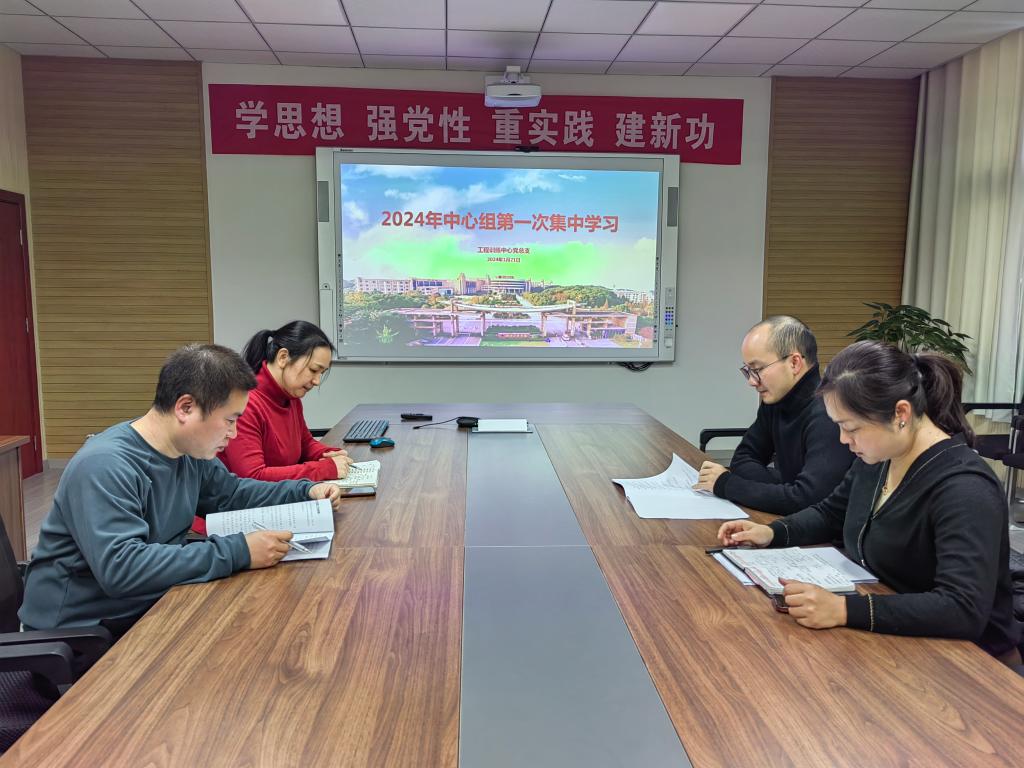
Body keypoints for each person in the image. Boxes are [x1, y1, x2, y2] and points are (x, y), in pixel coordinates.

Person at [717, 341, 1023, 664]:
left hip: (970, 663)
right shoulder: (880, 457)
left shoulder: (965, 488)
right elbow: (831, 513)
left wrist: (844, 609)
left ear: (900, 413)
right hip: (895, 633)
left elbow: (962, 609)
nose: (843, 440)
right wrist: (773, 533)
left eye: (851, 428)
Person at [19, 344, 344, 638]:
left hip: (148, 604)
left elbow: (230, 495)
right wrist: (239, 552)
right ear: (185, 408)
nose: (233, 434)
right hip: (83, 634)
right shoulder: (105, 465)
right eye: (229, 420)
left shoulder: (188, 452)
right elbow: (122, 568)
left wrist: (305, 492)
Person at [693, 316, 853, 514]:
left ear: (794, 363)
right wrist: (784, 489)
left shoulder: (829, 414)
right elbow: (742, 459)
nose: (752, 381)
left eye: (757, 369)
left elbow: (809, 502)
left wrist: (728, 485)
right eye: (748, 371)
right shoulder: (776, 401)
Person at [219, 321, 352, 484]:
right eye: (313, 370)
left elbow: (305, 444)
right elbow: (253, 477)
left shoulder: (290, 397)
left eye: (321, 373)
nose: (317, 381)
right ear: (283, 357)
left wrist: (331, 455)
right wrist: (324, 469)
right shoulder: (245, 403)